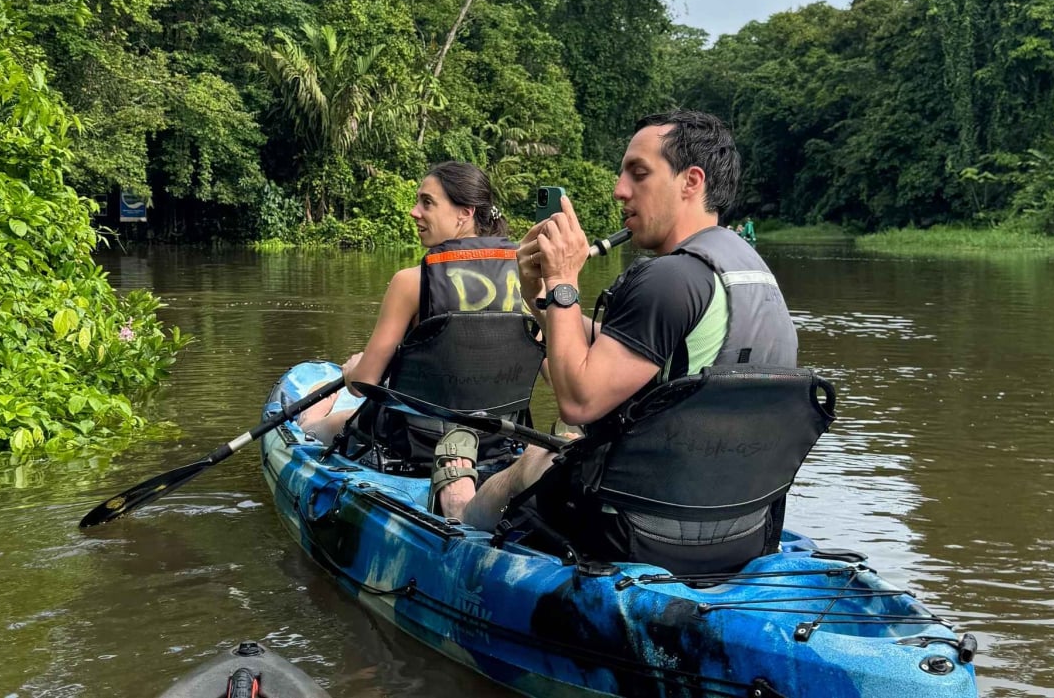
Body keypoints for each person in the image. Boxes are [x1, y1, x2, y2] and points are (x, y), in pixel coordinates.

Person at [433, 111, 825, 573]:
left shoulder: (666, 280)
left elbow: (579, 402)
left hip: (635, 534)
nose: (620, 189)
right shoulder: (749, 271)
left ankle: (458, 521)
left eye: (638, 173)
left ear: (690, 181)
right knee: (549, 451)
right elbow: (627, 354)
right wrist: (540, 293)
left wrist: (562, 280)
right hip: (741, 534)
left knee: (530, 464)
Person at [298, 162, 530, 454]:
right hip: (497, 438)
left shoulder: (410, 282)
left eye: (427, 202)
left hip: (417, 440)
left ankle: (311, 417)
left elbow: (362, 385)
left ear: (466, 212)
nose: (414, 211)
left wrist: (352, 371)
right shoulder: (526, 278)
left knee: (323, 425)